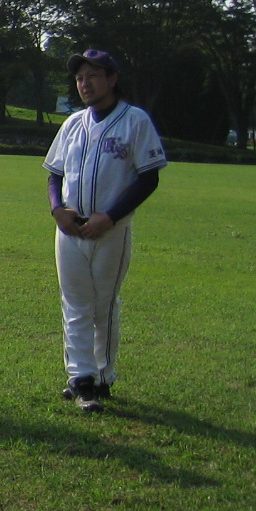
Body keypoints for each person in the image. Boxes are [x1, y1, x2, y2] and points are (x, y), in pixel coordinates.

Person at [46, 49, 166, 411]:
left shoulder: (135, 120)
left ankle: (102, 377)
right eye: (81, 77)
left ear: (112, 79)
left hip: (111, 228)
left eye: (93, 76)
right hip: (70, 228)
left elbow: (149, 177)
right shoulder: (72, 123)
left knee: (103, 305)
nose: (85, 83)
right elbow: (55, 172)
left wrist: (111, 216)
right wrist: (57, 209)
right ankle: (81, 378)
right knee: (75, 303)